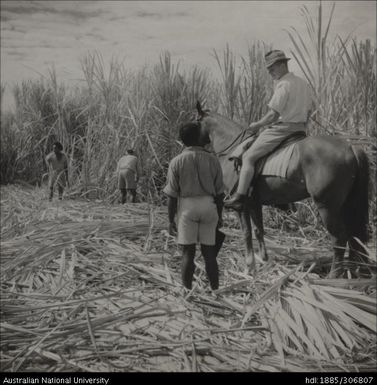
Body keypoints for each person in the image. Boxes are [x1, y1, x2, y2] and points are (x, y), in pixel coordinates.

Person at [225, 50, 314, 211]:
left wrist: (256, 125)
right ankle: (283, 199)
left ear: (282, 65)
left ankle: (239, 197)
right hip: (300, 130)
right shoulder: (303, 83)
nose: (269, 72)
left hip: (282, 129)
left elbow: (273, 115)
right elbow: (309, 111)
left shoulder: (284, 84)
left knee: (248, 156)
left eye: (271, 68)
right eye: (268, 69)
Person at [163, 122, 225, 292]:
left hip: (187, 207)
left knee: (187, 254)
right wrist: (219, 216)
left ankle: (187, 291)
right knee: (209, 254)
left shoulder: (176, 161)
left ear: (183, 141)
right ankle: (215, 290)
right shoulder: (213, 160)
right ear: (199, 137)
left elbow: (172, 195)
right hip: (209, 206)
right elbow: (220, 193)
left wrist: (170, 220)